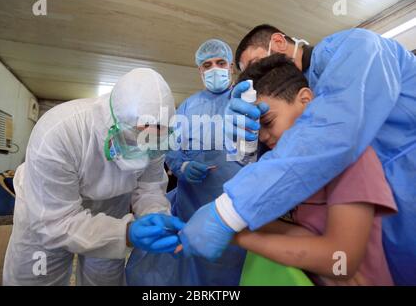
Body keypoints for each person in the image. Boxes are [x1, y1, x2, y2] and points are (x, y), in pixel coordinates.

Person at [178, 25, 416, 285]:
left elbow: (334, 132)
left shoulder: (358, 47)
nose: (257, 78)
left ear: (278, 42)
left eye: (258, 63)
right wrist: (247, 144)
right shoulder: (304, 104)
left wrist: (229, 213)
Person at [3, 68, 184, 286]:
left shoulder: (156, 136)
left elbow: (150, 187)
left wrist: (155, 215)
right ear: (114, 122)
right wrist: (125, 234)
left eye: (153, 140)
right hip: (47, 207)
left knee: (103, 278)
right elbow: (56, 223)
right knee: (38, 277)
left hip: (111, 206)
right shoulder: (59, 132)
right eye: (136, 137)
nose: (145, 149)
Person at [233, 54, 397, 285]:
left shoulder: (352, 159)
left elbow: (341, 262)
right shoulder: (286, 165)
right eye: (256, 129)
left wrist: (241, 238)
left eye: (268, 122)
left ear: (306, 100)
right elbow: (283, 224)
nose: (263, 136)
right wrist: (231, 224)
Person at [126, 39, 246, 285]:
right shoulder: (188, 108)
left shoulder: (245, 101)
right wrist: (182, 166)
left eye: (220, 63)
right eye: (207, 65)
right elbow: (169, 148)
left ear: (231, 67)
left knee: (228, 270)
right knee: (189, 271)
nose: (214, 69)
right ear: (200, 71)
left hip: (237, 209)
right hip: (191, 205)